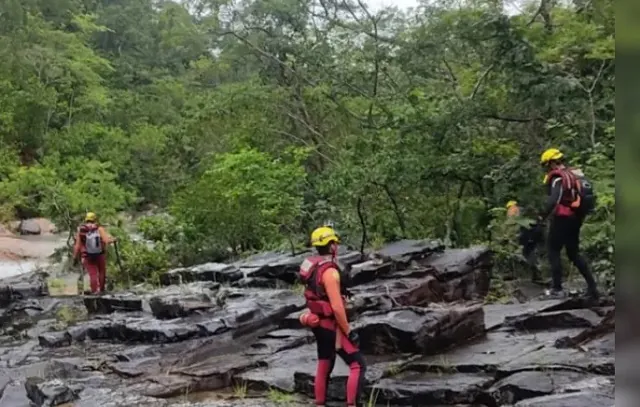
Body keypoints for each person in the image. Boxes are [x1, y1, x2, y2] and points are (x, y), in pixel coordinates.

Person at [298, 226, 366, 407]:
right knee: (357, 364)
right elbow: (336, 307)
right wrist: (348, 330)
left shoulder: (312, 267)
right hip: (330, 325)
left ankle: (319, 403)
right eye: (334, 243)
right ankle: (352, 404)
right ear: (332, 246)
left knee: (325, 361)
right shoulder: (330, 272)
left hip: (318, 323)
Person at [538, 148, 598, 300]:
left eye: (546, 165)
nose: (546, 168)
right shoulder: (574, 174)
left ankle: (557, 289)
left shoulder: (558, 178)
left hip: (562, 218)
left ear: (551, 163)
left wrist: (541, 216)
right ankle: (593, 287)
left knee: (553, 250)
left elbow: (554, 200)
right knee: (573, 253)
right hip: (576, 218)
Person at [72, 212, 116, 294]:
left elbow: (77, 246)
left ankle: (94, 291)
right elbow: (106, 240)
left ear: (86, 220)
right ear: (95, 219)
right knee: (102, 272)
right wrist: (113, 240)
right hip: (100, 254)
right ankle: (102, 290)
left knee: (93, 274)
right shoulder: (99, 229)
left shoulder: (81, 230)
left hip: (87, 256)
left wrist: (74, 257)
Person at [505, 200, 544, 283]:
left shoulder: (513, 211)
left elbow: (512, 225)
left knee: (526, 254)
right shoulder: (524, 210)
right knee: (532, 253)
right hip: (536, 233)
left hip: (527, 235)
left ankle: (535, 273)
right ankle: (537, 274)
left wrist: (511, 236)